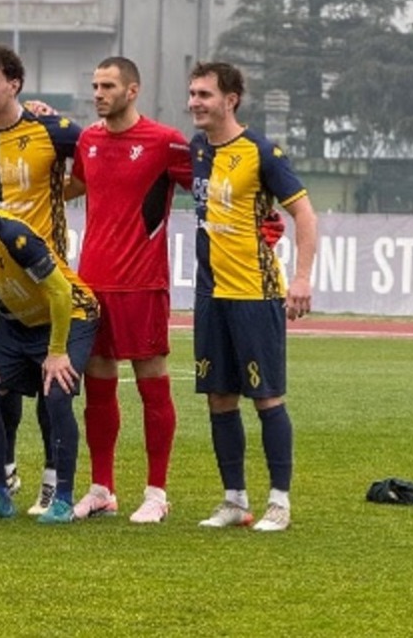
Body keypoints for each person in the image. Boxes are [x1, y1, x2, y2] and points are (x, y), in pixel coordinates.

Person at [0, 44, 84, 515]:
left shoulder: (52, 129)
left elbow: (92, 163)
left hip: (44, 277)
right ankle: (1, 481)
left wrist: (62, 193)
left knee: (52, 391)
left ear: (15, 85)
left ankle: (53, 485)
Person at [186, 61, 317, 532]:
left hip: (255, 294)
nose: (194, 103)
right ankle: (235, 500)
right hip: (210, 293)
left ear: (230, 99)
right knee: (219, 397)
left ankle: (279, 502)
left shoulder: (262, 151)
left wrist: (300, 279)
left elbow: (303, 214)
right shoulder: (197, 149)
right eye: (192, 94)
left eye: (204, 95)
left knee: (267, 398)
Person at [66, 56, 193, 523]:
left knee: (151, 386)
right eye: (95, 84)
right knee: (97, 388)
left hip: (142, 283)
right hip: (91, 284)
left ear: (132, 90)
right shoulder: (88, 139)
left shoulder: (165, 142)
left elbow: (204, 187)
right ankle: (102, 488)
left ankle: (156, 493)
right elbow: (74, 186)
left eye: (107, 86)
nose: (98, 93)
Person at [0, 167, 98, 523]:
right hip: (19, 323)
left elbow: (60, 293)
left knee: (57, 393)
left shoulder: (14, 236)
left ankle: (63, 498)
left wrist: (57, 352)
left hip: (71, 315)